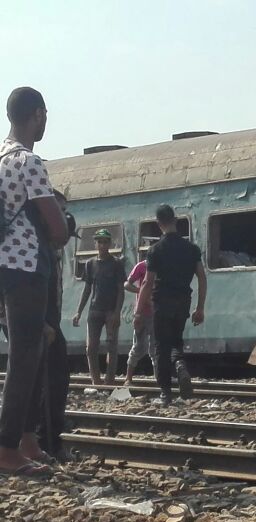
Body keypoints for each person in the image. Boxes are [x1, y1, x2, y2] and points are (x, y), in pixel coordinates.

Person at [0, 87, 69, 476]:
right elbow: (56, 226)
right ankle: (7, 448)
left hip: (5, 267)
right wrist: (57, 230)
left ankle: (27, 440)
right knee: (25, 358)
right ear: (38, 115)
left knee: (31, 352)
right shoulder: (28, 161)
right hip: (27, 267)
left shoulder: (1, 157)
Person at [137, 204, 206, 405]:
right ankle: (181, 365)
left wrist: (139, 312)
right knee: (176, 342)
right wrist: (200, 307)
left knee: (161, 347)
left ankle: (166, 393)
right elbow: (202, 277)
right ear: (175, 221)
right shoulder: (192, 249)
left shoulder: (155, 250)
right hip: (183, 302)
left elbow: (148, 283)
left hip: (162, 303)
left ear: (159, 224)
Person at [32, 190, 74, 461]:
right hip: (38, 323)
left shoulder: (49, 252)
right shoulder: (35, 251)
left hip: (48, 323)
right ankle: (42, 440)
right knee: (42, 380)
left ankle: (48, 439)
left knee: (53, 379)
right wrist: (41, 323)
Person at [72, 228, 125, 386]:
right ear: (95, 244)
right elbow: (87, 289)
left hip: (110, 311)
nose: (102, 245)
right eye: (99, 242)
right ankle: (96, 381)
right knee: (91, 348)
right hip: (94, 310)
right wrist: (79, 311)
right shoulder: (90, 264)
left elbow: (121, 291)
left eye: (105, 242)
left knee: (111, 347)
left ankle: (109, 381)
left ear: (110, 243)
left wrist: (117, 313)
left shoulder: (116, 264)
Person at [123, 253, 158, 386]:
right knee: (138, 346)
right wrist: (141, 292)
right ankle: (128, 378)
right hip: (142, 313)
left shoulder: (161, 267)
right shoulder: (141, 266)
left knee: (156, 348)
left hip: (156, 312)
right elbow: (127, 284)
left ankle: (158, 378)